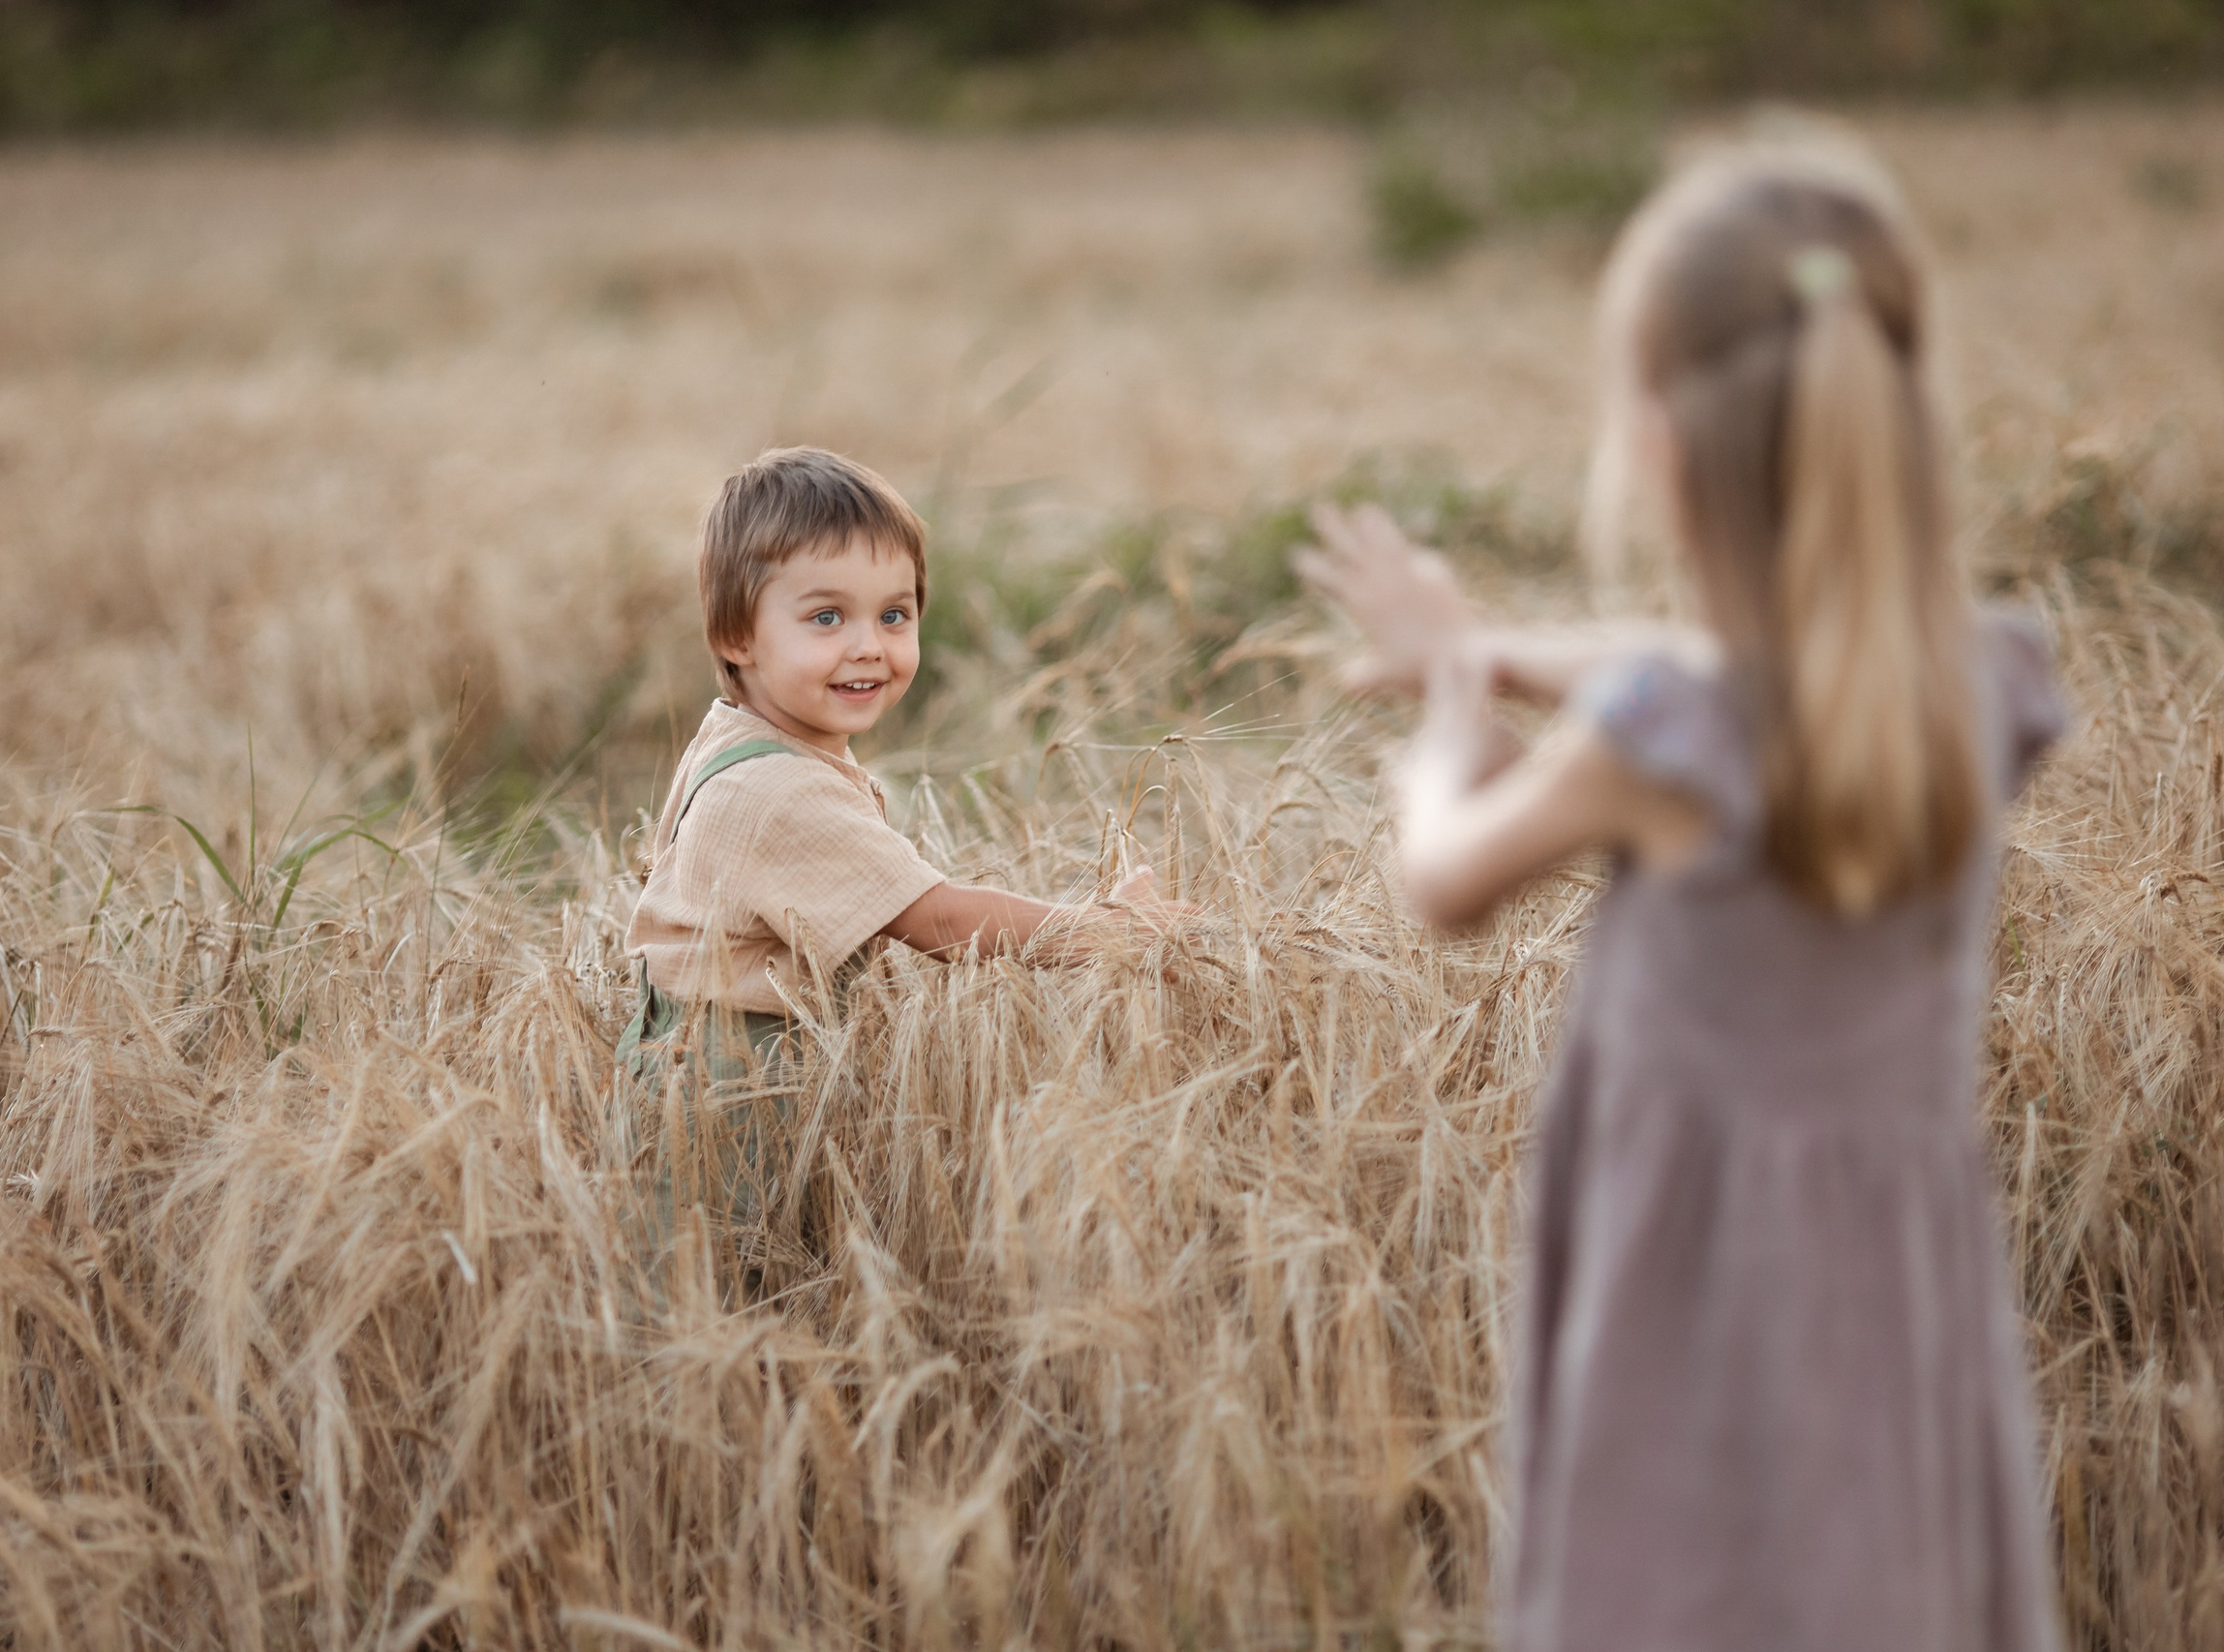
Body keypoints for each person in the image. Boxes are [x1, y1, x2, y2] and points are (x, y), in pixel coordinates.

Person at [1299, 138, 2067, 1652]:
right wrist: (1497, 645)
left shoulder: (1652, 744)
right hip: (1898, 1301)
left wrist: (1444, 733)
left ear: (1657, 435)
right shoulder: (1979, 686)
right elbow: (1713, 677)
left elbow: (1444, 877)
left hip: (1703, 1295)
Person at [620, 445, 1172, 1299]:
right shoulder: (777, 788)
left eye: (895, 616)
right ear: (737, 635)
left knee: (728, 1293)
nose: (869, 647)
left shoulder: (737, 737)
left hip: (710, 1076)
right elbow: (938, 921)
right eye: (826, 618)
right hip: (732, 1105)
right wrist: (1105, 932)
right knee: (715, 1304)